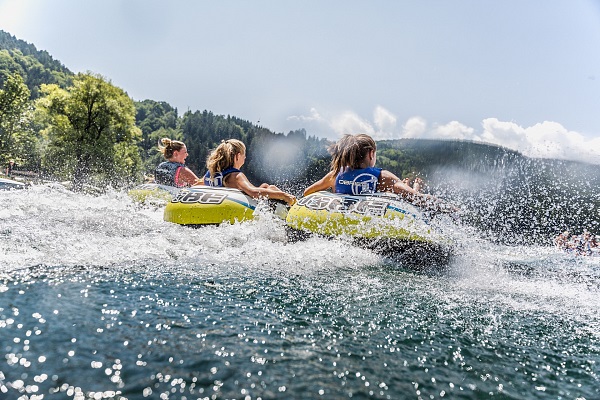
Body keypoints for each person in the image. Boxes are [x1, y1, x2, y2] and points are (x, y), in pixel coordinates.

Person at [303, 133, 453, 211]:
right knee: (404, 193)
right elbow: (417, 199)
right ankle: (410, 184)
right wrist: (450, 208)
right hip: (373, 221)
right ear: (371, 154)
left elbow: (307, 193)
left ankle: (408, 184)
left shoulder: (335, 174)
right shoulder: (383, 177)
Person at [204, 139, 296, 205]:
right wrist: (284, 196)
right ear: (238, 156)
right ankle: (292, 207)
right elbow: (255, 193)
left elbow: (199, 184)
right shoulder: (236, 176)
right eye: (244, 155)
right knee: (271, 188)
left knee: (265, 186)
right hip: (235, 209)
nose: (245, 158)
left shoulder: (209, 174)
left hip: (218, 204)